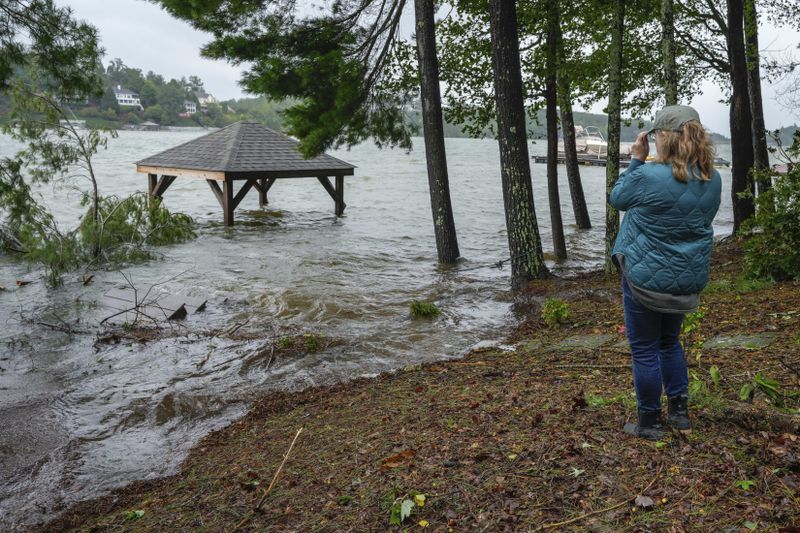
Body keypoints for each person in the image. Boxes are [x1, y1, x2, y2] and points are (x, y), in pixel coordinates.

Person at [609, 105, 722, 441]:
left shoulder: (646, 175)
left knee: (644, 348)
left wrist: (635, 159)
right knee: (669, 342)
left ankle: (649, 421)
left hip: (644, 278)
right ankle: (679, 412)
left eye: (656, 134)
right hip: (684, 277)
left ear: (664, 137)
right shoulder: (711, 178)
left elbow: (618, 198)